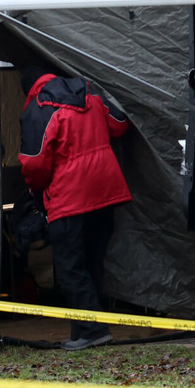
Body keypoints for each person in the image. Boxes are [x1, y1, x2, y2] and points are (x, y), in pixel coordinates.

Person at [18, 67, 132, 350]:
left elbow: (34, 163)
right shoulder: (90, 93)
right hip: (106, 191)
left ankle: (92, 331)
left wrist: (35, 190)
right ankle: (83, 331)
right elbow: (120, 124)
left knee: (69, 267)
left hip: (70, 197)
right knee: (92, 263)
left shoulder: (39, 108)